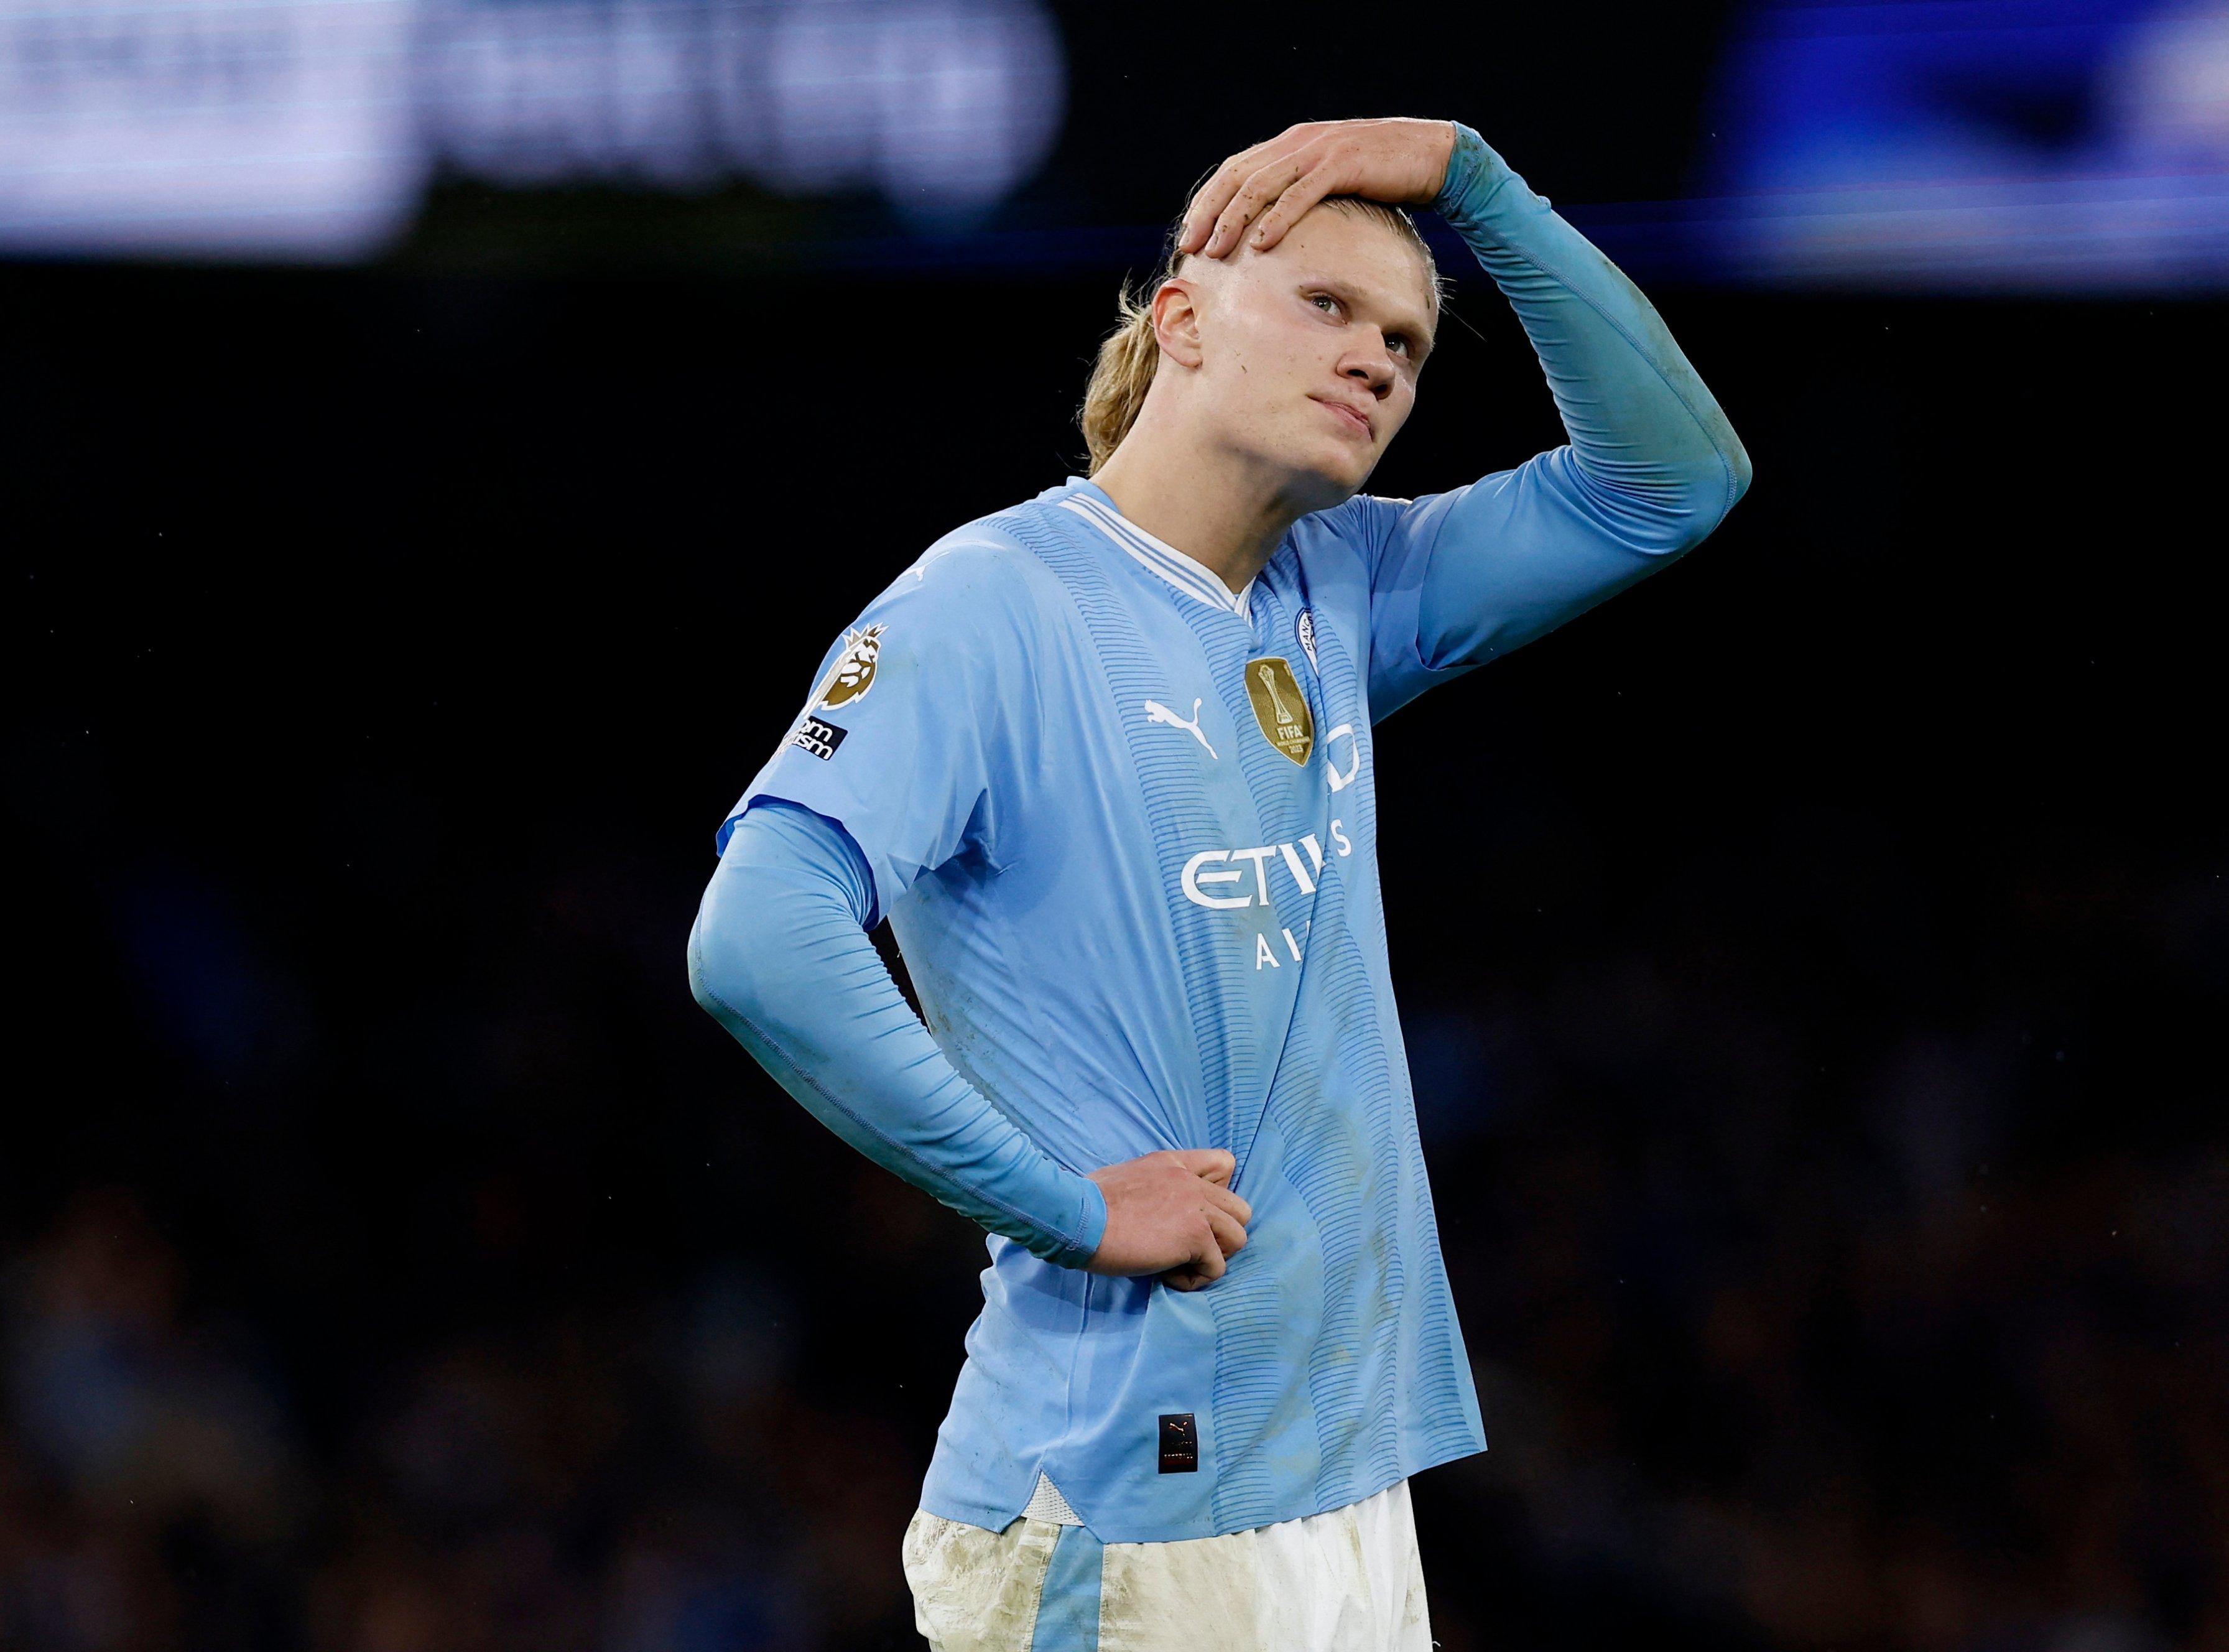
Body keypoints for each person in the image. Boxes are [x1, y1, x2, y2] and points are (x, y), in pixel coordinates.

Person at [687, 118, 1750, 1651]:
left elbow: (1672, 481)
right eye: (1326, 305)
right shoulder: (989, 604)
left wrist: (1471, 179)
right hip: (1132, 1495)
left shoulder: (1341, 583)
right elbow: (757, 935)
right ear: (1180, 319)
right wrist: (1059, 1204)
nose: (1374, 358)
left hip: (1343, 1480)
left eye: (1404, 341)